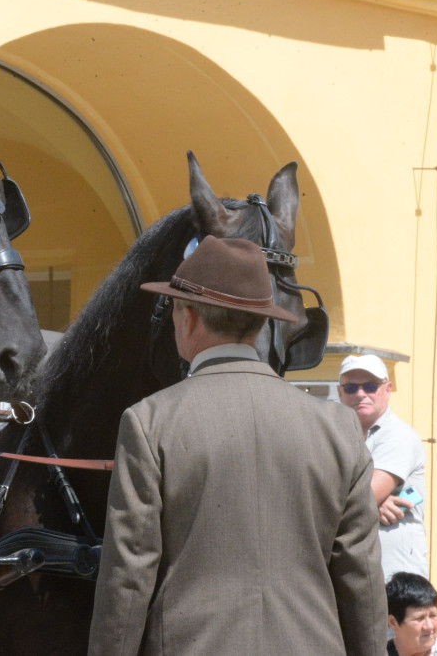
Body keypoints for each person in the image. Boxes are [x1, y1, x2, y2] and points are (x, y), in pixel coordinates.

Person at [88, 235, 386, 655]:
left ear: (187, 317)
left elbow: (129, 574)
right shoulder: (338, 427)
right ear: (262, 322)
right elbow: (362, 581)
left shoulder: (150, 421)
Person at [338, 354, 428, 580]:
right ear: (339, 393)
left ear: (387, 390)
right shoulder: (334, 436)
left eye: (370, 386)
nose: (360, 394)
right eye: (350, 388)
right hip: (353, 575)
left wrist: (368, 502)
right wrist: (374, 506)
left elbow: (362, 497)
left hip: (396, 576)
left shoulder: (399, 435)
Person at [386, 572, 437, 656]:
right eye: (420, 618)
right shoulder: (380, 652)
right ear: (393, 622)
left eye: (433, 616)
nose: (430, 626)